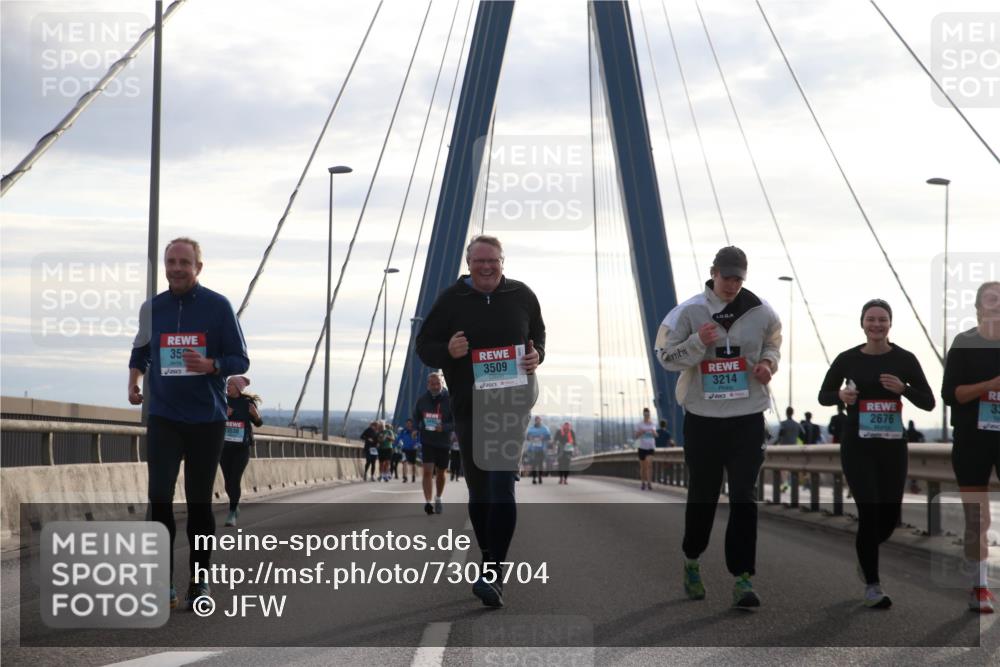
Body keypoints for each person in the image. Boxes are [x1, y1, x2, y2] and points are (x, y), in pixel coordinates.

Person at [416, 234, 544, 608]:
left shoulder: (522, 295)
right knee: (480, 491)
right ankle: (488, 554)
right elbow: (424, 346)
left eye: (493, 261)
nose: (486, 267)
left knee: (502, 484)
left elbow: (538, 335)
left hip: (512, 407)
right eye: (479, 261)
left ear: (503, 262)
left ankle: (493, 571)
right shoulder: (451, 300)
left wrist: (538, 355)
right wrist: (448, 350)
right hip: (470, 408)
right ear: (468, 263)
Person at [655, 246, 780, 609]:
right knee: (703, 496)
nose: (732, 284)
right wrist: (698, 342)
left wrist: (768, 364)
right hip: (704, 420)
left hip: (747, 417)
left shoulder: (762, 311)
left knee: (743, 496)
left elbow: (773, 345)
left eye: (738, 278)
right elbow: (665, 357)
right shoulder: (687, 312)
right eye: (726, 277)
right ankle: (692, 560)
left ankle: (743, 578)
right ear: (713, 273)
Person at [127, 237, 249, 610]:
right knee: (159, 497)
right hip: (163, 416)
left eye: (184, 262)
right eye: (171, 262)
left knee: (198, 503)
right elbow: (141, 350)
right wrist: (133, 381)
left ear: (198, 267)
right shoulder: (152, 308)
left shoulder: (218, 306)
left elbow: (240, 359)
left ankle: (199, 580)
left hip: (206, 420)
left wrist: (212, 365)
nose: (177, 268)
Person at [818, 298, 935, 609]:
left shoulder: (905, 360)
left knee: (888, 518)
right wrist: (841, 395)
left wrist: (903, 389)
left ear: (890, 324)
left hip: (892, 447)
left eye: (882, 319)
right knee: (869, 512)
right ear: (862, 323)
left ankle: (865, 551)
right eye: (871, 319)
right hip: (857, 446)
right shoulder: (847, 359)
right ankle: (873, 584)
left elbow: (929, 402)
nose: (876, 325)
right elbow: (823, 396)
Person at [942, 281, 1000, 613]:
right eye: (991, 299)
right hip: (972, 439)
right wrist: (990, 386)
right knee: (978, 519)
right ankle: (979, 587)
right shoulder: (964, 343)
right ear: (979, 308)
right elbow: (951, 395)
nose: (998, 304)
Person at [222, 376, 262, 528]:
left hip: (241, 448)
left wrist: (256, 415)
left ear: (238, 388)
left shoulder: (247, 403)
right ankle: (235, 505)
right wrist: (224, 415)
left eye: (231, 384)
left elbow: (258, 423)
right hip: (224, 448)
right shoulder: (222, 400)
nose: (228, 387)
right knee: (227, 482)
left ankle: (232, 512)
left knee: (235, 479)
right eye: (227, 384)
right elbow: (212, 420)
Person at [413, 372, 454, 514]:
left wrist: (445, 427)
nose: (435, 386)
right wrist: (415, 429)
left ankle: (438, 498)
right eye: (432, 384)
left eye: (438, 384)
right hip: (427, 440)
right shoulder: (422, 400)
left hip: (443, 442)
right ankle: (428, 502)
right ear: (428, 385)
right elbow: (416, 417)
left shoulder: (450, 399)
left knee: (441, 472)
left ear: (442, 384)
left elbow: (456, 421)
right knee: (427, 471)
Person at [635, 408, 657, 490]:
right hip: (642, 447)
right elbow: (636, 436)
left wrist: (654, 433)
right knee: (643, 467)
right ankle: (643, 482)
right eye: (645, 414)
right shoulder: (639, 424)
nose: (647, 416)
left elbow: (656, 435)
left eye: (648, 414)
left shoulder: (653, 424)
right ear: (643, 415)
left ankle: (649, 483)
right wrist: (641, 432)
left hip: (650, 447)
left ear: (649, 415)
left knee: (649, 465)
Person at [525, 416, 551, 484]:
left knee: (540, 464)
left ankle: (540, 477)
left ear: (541, 421)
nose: (538, 421)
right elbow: (527, 437)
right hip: (533, 449)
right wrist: (530, 437)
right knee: (533, 464)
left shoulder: (545, 429)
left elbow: (549, 437)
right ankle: (534, 478)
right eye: (537, 420)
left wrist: (543, 437)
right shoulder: (531, 429)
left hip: (541, 449)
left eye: (539, 420)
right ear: (535, 421)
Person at [396, 419, 420, 483]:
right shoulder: (403, 431)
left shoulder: (415, 432)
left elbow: (419, 440)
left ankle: (413, 476)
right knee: (404, 462)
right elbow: (398, 438)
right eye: (407, 423)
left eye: (409, 423)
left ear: (412, 424)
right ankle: (405, 477)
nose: (408, 424)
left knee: (413, 464)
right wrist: (395, 444)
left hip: (413, 449)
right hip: (405, 449)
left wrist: (417, 445)